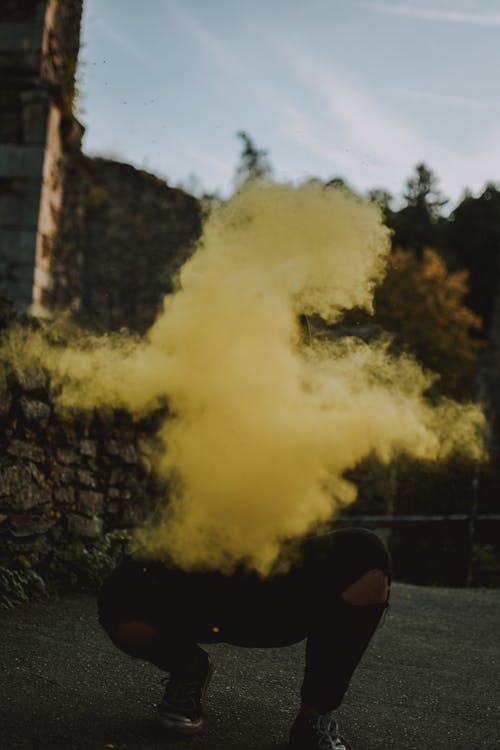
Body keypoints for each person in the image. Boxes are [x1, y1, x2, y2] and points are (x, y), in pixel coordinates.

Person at [98, 526, 391, 750]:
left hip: (276, 584)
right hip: (202, 573)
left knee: (367, 555)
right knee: (119, 596)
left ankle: (313, 717)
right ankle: (188, 667)